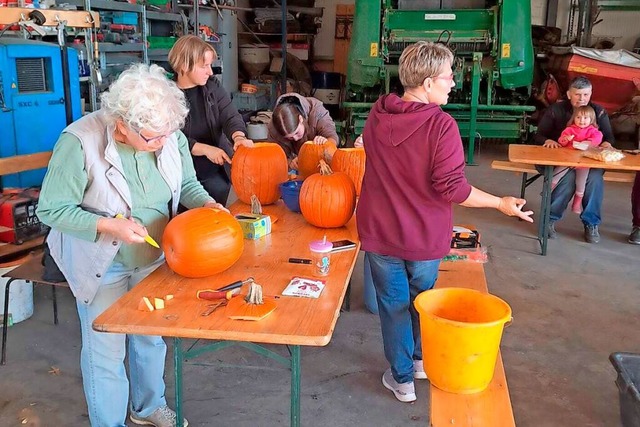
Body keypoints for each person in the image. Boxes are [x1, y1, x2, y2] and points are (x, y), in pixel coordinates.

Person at [36, 64, 225, 427]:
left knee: (150, 340)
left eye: (168, 134)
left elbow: (186, 183)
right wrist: (110, 225)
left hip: (154, 256)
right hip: (103, 261)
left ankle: (148, 407)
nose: (163, 143)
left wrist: (206, 205)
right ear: (121, 124)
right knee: (105, 351)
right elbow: (52, 209)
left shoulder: (170, 136)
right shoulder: (79, 142)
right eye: (152, 138)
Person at [356, 41, 533, 403]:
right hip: (422, 237)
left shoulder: (378, 112)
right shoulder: (441, 126)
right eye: (449, 77)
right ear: (426, 83)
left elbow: (368, 149)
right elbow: (454, 189)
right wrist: (500, 203)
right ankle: (418, 361)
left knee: (393, 304)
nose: (454, 83)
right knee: (422, 299)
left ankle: (402, 379)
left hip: (379, 230)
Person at [169, 35, 254, 206]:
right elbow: (170, 137)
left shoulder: (212, 86)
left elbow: (230, 115)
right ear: (184, 66)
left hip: (216, 172)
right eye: (204, 66)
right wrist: (203, 149)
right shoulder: (165, 94)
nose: (210, 71)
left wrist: (239, 137)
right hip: (180, 175)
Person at [534, 76, 615, 243]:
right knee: (568, 178)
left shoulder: (598, 112)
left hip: (588, 162)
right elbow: (539, 135)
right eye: (577, 94)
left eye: (586, 94)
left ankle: (591, 223)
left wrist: (606, 144)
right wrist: (547, 141)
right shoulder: (555, 110)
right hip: (559, 162)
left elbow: (610, 138)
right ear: (569, 94)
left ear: (591, 93)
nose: (582, 99)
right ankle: (549, 219)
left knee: (594, 179)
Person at [552, 105, 606, 214]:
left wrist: (589, 143)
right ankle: (549, 189)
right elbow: (561, 141)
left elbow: (597, 139)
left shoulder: (593, 131)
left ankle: (577, 202)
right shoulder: (569, 129)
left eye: (585, 118)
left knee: (581, 182)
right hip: (567, 159)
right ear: (574, 118)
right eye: (578, 117)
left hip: (583, 161)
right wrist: (565, 139)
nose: (581, 121)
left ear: (591, 120)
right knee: (556, 174)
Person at [267, 93, 340, 169]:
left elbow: (333, 137)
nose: (295, 138)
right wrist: (289, 162)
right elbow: (275, 156)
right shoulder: (273, 128)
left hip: (321, 165)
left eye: (297, 132)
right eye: (289, 137)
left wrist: (326, 142)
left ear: (300, 119)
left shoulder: (317, 111)